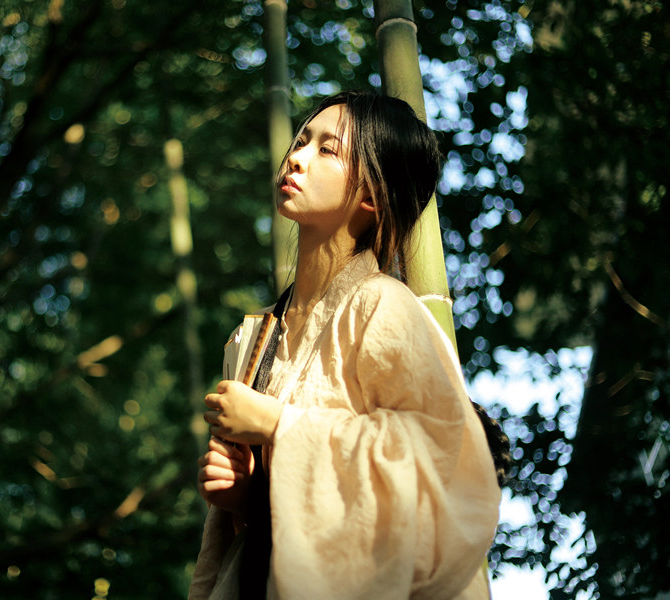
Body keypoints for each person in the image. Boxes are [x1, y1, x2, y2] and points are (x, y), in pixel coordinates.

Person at [189, 89, 502, 600]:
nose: (296, 157)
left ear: (371, 196)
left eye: (326, 149)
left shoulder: (384, 306)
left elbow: (443, 465)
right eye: (301, 140)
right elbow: (290, 525)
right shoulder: (255, 335)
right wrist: (243, 499)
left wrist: (277, 424)